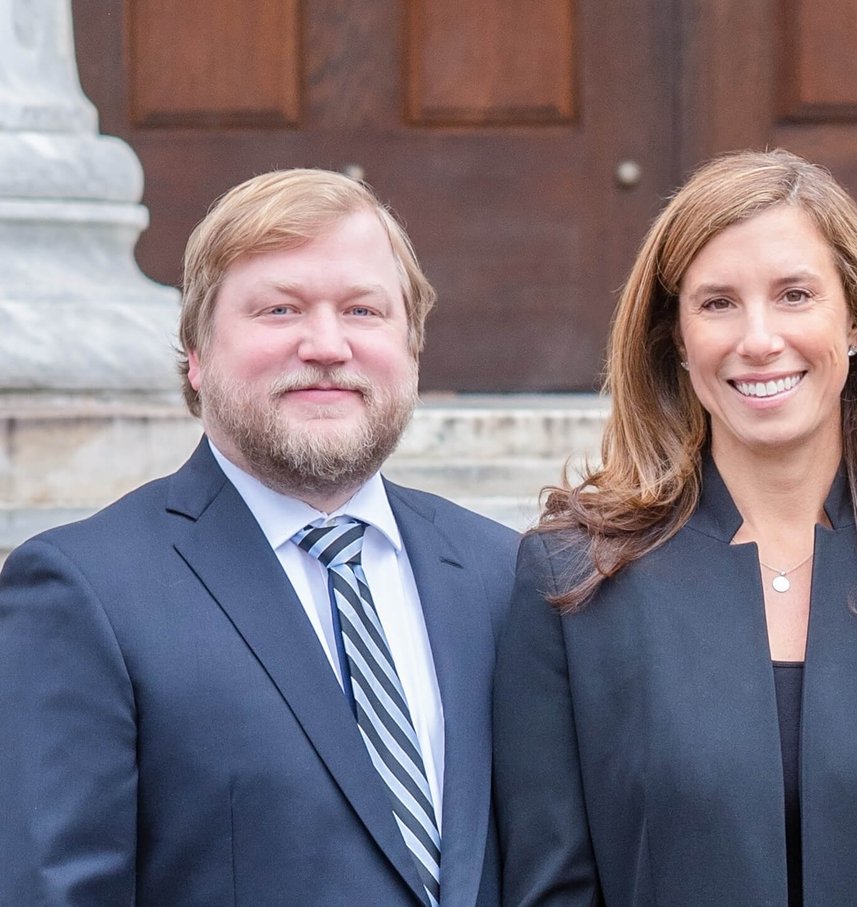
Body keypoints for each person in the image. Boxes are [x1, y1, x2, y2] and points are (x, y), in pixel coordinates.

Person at [494, 149, 857, 906]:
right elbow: (552, 887)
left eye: (794, 295)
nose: (758, 339)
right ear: (677, 340)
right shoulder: (572, 580)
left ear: (854, 320)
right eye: (717, 302)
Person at [0, 169, 518, 906]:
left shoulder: (501, 573)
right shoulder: (84, 593)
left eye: (364, 310)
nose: (327, 344)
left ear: (412, 347)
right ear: (196, 354)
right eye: (279, 309)